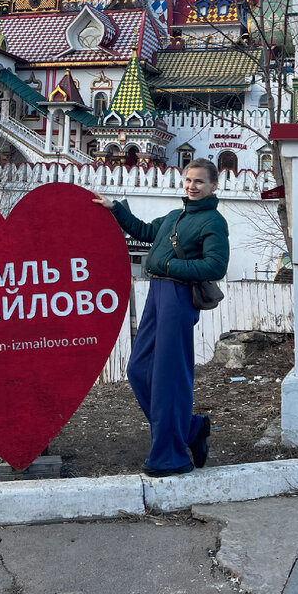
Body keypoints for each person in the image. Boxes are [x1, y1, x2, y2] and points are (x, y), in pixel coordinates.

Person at [93, 158, 229, 477]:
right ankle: (192, 428)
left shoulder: (213, 221)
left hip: (179, 297)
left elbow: (215, 266)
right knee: (139, 369)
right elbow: (144, 231)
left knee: (169, 377)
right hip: (157, 295)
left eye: (199, 182)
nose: (192, 186)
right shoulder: (173, 216)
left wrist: (170, 268)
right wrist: (114, 208)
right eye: (188, 180)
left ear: (213, 186)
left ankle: (170, 456)